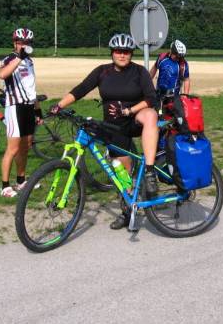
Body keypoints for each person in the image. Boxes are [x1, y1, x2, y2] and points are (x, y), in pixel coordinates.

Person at [50, 33, 159, 229]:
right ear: (112, 53)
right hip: (114, 127)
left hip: (135, 120)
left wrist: (129, 110)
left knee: (150, 114)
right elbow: (81, 89)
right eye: (118, 51)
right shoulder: (102, 72)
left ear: (131, 53)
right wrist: (59, 106)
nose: (122, 55)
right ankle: (128, 211)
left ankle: (150, 172)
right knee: (121, 172)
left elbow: (151, 98)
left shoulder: (139, 72)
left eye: (126, 52)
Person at [0, 28, 42, 198]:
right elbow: (2, 74)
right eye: (21, 42)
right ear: (15, 43)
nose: (24, 45)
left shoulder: (30, 62)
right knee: (13, 148)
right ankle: (4, 186)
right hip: (15, 107)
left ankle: (21, 181)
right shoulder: (9, 59)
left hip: (29, 107)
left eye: (27, 42)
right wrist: (19, 58)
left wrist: (38, 111)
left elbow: (32, 89)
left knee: (26, 146)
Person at [149, 39, 191, 130]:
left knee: (178, 119)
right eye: (176, 55)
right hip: (159, 95)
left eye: (180, 56)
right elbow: (154, 69)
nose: (177, 58)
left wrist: (185, 96)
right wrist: (147, 82)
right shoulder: (162, 58)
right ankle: (160, 135)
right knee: (159, 119)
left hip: (174, 97)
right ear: (171, 50)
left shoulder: (183, 65)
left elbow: (186, 80)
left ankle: (177, 134)